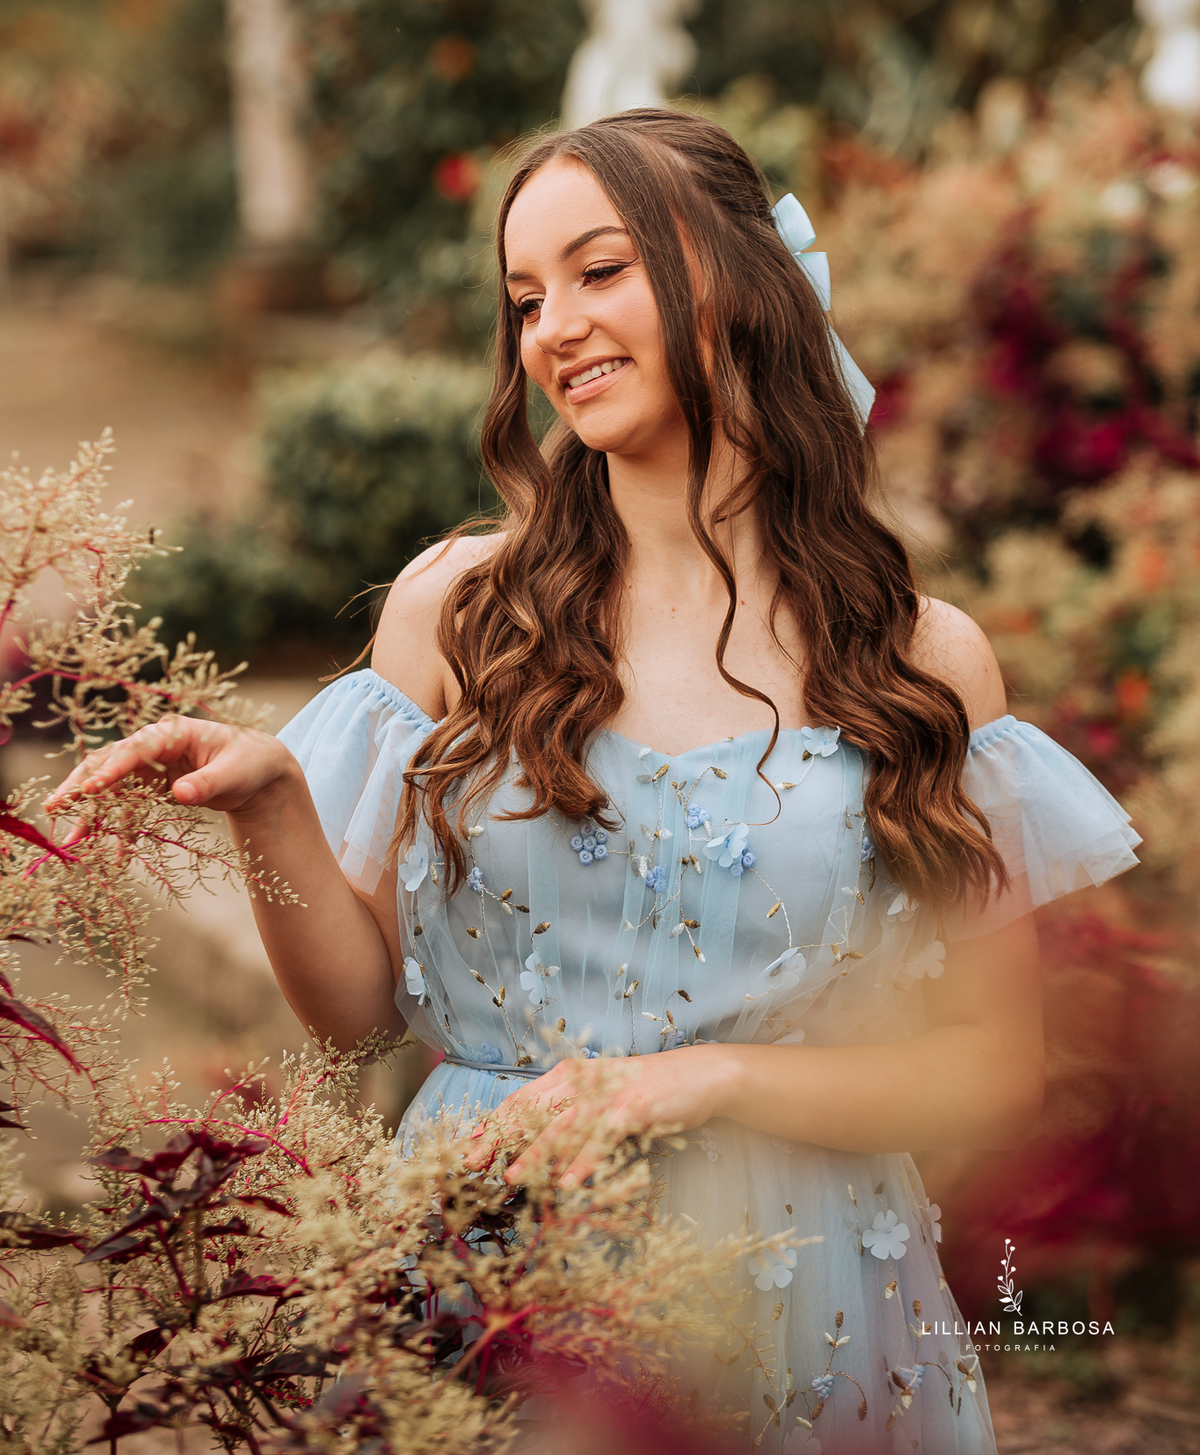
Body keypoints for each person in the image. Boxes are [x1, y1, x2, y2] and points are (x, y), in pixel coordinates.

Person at [52, 110, 1141, 1452]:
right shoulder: (459, 615)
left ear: (736, 284)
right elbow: (351, 1022)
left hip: (814, 1300)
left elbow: (992, 1071)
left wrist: (710, 1082)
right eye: (523, 298)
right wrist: (274, 805)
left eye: (599, 271)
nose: (551, 327)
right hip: (503, 1272)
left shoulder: (922, 661)